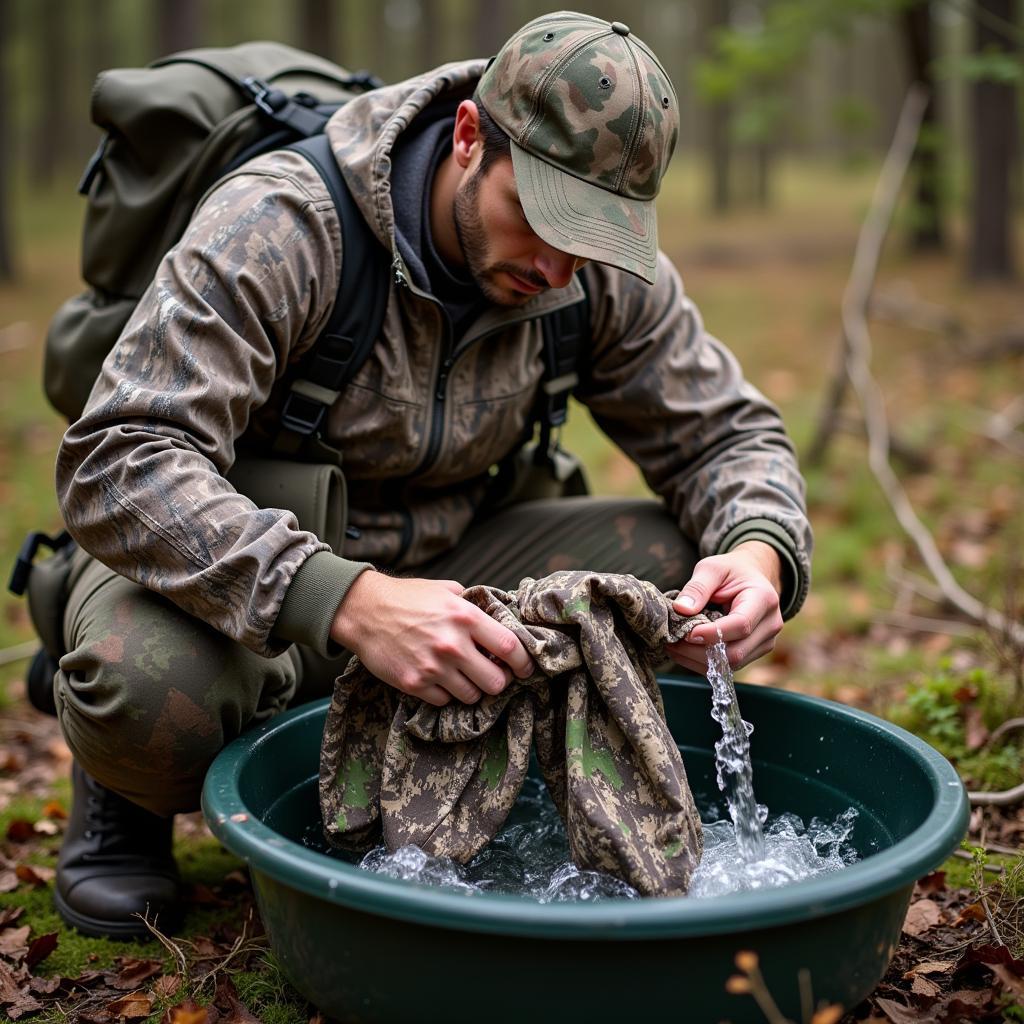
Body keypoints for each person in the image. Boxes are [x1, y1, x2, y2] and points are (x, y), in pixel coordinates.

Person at [51, 11, 812, 938]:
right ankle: (121, 805)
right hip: (255, 587)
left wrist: (761, 551)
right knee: (142, 688)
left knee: (664, 568)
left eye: (596, 235)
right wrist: (351, 602)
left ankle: (466, 772)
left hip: (457, 562)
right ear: (466, 138)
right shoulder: (285, 224)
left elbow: (726, 434)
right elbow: (120, 457)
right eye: (540, 217)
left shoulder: (587, 274)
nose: (558, 265)